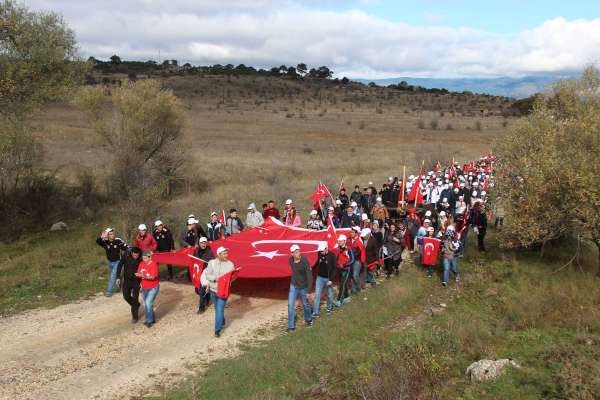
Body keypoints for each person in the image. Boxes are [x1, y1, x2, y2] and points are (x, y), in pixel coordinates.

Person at [202, 246, 235, 337]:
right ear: (219, 254)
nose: (226, 255)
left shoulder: (230, 264)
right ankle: (222, 321)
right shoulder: (211, 263)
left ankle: (217, 330)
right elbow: (207, 274)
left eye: (226, 253)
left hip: (224, 291)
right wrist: (215, 279)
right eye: (224, 254)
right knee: (217, 309)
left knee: (219, 310)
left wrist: (229, 279)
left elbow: (232, 278)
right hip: (213, 290)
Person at [286, 244, 313, 332]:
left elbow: (309, 276)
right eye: (296, 252)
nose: (298, 253)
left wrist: (309, 291)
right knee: (290, 305)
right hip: (293, 285)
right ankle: (291, 327)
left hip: (303, 287)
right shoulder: (290, 260)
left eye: (299, 251)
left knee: (305, 304)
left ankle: (308, 320)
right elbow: (294, 271)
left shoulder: (304, 261)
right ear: (292, 254)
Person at [96, 227, 128, 297]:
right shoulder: (105, 242)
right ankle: (124, 289)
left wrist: (131, 251)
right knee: (118, 276)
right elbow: (98, 241)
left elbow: (126, 247)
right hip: (110, 262)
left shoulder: (118, 240)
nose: (112, 235)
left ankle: (109, 291)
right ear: (107, 235)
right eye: (110, 234)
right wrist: (102, 237)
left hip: (118, 261)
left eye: (113, 234)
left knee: (113, 276)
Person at [116, 247, 142, 322]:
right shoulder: (126, 256)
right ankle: (136, 305)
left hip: (136, 281)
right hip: (127, 280)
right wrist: (118, 277)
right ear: (131, 253)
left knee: (135, 298)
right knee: (126, 296)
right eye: (134, 255)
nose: (135, 257)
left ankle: (135, 317)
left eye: (137, 255)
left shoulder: (141, 258)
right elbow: (120, 265)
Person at [312, 243, 337, 318]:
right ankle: (315, 313)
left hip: (328, 279)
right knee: (317, 295)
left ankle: (329, 308)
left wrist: (331, 279)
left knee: (330, 294)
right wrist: (312, 268)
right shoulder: (319, 253)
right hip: (319, 278)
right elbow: (317, 262)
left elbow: (335, 269)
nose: (321, 252)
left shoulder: (332, 256)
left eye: (322, 251)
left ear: (326, 249)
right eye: (320, 251)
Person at [135, 250, 160, 327]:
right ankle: (152, 319)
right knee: (146, 304)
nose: (144, 259)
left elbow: (153, 277)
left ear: (150, 257)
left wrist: (143, 276)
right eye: (143, 258)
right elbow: (138, 273)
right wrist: (141, 275)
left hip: (153, 287)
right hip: (144, 287)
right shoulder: (141, 263)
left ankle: (149, 321)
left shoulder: (154, 265)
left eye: (145, 258)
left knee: (148, 303)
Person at [194, 237, 214, 313]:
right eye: (202, 243)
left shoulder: (210, 252)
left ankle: (201, 307)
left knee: (202, 290)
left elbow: (212, 262)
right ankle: (207, 298)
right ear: (199, 243)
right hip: (198, 272)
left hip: (206, 273)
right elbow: (194, 261)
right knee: (198, 290)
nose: (203, 244)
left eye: (205, 242)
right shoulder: (196, 251)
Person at [335, 234, 354, 306]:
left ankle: (339, 300)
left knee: (342, 284)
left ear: (344, 241)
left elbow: (352, 260)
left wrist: (345, 265)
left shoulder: (349, 249)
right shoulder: (338, 249)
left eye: (340, 241)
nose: (339, 242)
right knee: (343, 284)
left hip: (346, 269)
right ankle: (347, 297)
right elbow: (337, 258)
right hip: (340, 269)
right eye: (338, 241)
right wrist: (337, 264)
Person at [349, 226, 366, 293]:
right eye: (351, 232)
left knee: (355, 275)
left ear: (356, 233)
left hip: (357, 261)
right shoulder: (350, 240)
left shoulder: (359, 241)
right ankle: (354, 290)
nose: (351, 233)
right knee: (353, 275)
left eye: (352, 232)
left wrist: (362, 261)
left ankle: (359, 287)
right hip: (352, 260)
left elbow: (360, 252)